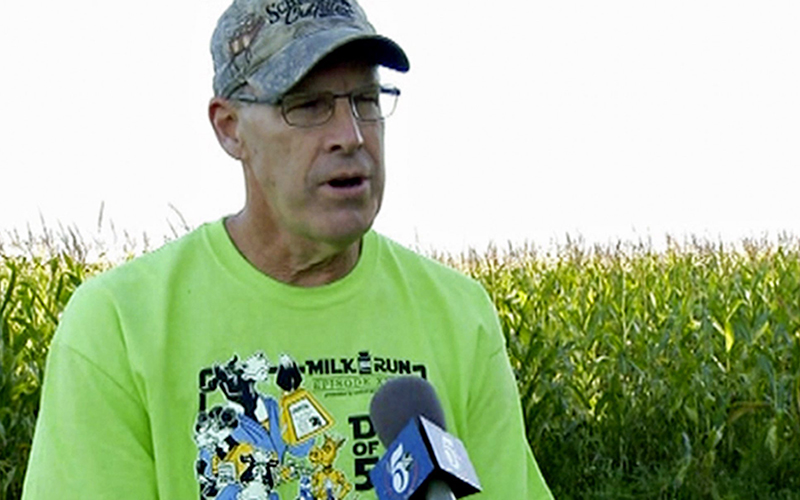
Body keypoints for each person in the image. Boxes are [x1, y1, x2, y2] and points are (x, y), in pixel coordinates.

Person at [23, 0, 553, 498]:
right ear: (230, 129)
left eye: (365, 100)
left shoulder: (461, 316)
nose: (351, 135)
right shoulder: (118, 327)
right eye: (308, 105)